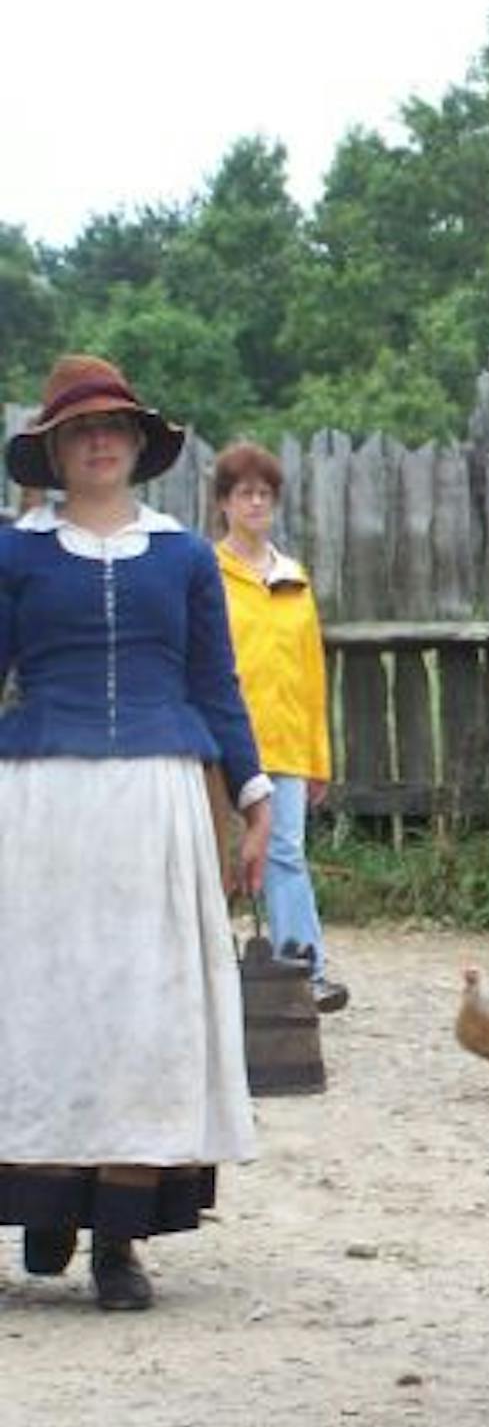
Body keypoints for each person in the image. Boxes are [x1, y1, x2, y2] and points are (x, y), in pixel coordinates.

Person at [0, 353, 272, 1312]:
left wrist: (252, 795)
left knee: (141, 1012)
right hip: (38, 801)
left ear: (138, 447)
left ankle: (118, 1237)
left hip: (156, 801)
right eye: (80, 431)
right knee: (43, 1002)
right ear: (56, 452)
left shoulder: (185, 557)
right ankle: (38, 1199)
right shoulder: (15, 554)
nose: (99, 443)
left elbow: (214, 685)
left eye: (112, 428)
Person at [213, 441, 348, 1013]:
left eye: (265, 494)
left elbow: (312, 672)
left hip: (288, 743)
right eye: (245, 493)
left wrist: (320, 758)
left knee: (286, 854)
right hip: (224, 744)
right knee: (219, 860)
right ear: (223, 503)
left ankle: (305, 970)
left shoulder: (294, 579)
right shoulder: (206, 573)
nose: (255, 503)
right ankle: (208, 977)